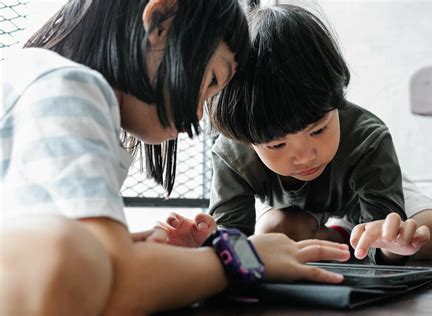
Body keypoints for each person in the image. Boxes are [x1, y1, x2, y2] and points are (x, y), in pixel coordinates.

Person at [0, 1, 351, 315]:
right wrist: (246, 259)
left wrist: (158, 258)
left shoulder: (53, 86)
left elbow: (99, 270)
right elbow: (114, 284)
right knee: (70, 251)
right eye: (211, 80)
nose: (199, 113)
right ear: (161, 22)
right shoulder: (67, 87)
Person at [152, 4, 432, 265]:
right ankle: (338, 236)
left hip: (368, 194)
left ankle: (346, 236)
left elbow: (383, 232)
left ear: (337, 104)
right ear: (247, 140)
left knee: (429, 234)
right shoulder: (233, 156)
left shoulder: (368, 140)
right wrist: (209, 244)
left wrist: (392, 247)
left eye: (319, 129)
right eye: (277, 144)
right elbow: (235, 242)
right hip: (297, 211)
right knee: (272, 232)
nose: (305, 155)